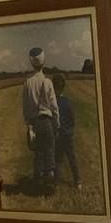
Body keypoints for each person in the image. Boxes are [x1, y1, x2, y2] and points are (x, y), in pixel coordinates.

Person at [20, 46, 59, 190]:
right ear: (44, 62)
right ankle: (49, 188)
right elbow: (54, 106)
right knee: (49, 153)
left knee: (38, 153)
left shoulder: (27, 82)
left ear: (32, 63)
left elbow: (25, 106)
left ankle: (37, 184)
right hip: (47, 121)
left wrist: (29, 124)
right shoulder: (47, 82)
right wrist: (57, 124)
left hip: (35, 122)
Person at [52, 68, 82, 188]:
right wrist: (69, 129)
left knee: (57, 159)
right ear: (63, 87)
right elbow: (72, 120)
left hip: (58, 136)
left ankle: (55, 182)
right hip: (68, 135)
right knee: (71, 157)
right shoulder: (68, 103)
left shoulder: (52, 103)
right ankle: (78, 181)